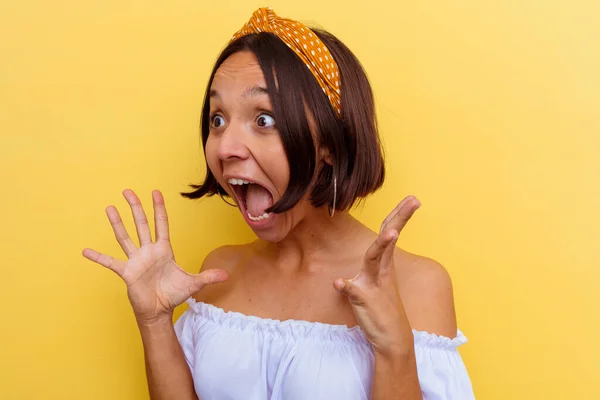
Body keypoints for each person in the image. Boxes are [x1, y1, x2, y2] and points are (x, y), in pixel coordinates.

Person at [83, 7, 475, 400]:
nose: (226, 148)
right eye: (218, 119)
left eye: (264, 120)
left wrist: (394, 350)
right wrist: (154, 322)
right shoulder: (219, 273)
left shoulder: (417, 286)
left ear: (329, 143)